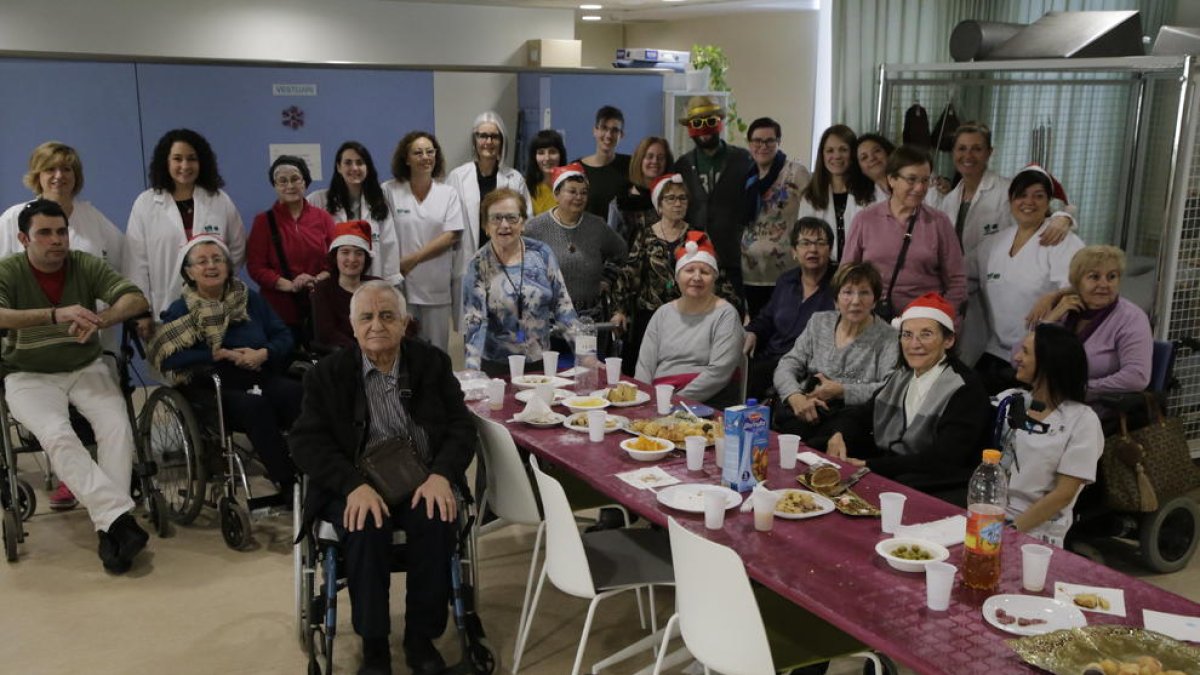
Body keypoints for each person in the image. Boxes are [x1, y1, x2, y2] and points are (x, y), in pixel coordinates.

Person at [290, 280, 476, 675]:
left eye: (387, 315)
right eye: (367, 317)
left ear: (406, 322)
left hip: (423, 478)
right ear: (353, 326)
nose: (377, 325)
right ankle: (374, 644)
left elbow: (461, 426)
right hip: (355, 481)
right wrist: (352, 486)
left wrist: (442, 475)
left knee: (436, 518)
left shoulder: (431, 364)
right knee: (365, 526)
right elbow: (307, 443)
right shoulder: (327, 375)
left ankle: (420, 639)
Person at [0, 199, 151, 573]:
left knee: (116, 428)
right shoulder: (8, 271)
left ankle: (109, 525)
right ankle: (118, 521)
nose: (57, 240)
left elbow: (135, 298)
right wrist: (54, 314)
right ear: (23, 238)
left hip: (85, 366)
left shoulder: (84, 263)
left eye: (62, 231)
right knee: (57, 435)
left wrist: (101, 319)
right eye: (45, 233)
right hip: (27, 374)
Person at [0, 142, 127, 511]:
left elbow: (118, 262)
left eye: (67, 169)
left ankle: (92, 488)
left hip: (88, 336)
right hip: (32, 345)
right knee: (58, 425)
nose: (60, 176)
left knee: (104, 418)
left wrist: (105, 313)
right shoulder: (12, 219)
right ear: (37, 175)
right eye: (50, 169)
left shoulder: (92, 218)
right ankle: (96, 494)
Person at [148, 235, 300, 498]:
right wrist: (214, 355)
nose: (211, 266)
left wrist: (264, 352)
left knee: (299, 393)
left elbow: (283, 336)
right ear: (189, 272)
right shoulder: (181, 309)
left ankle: (311, 468)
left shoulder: (249, 298)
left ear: (228, 266)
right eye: (202, 261)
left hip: (255, 372)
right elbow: (167, 357)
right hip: (210, 386)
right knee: (257, 407)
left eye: (218, 259)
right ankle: (287, 483)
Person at [930, 124, 1075, 365]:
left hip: (997, 310)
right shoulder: (950, 198)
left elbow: (1043, 207)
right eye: (962, 148)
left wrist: (1064, 218)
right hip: (971, 289)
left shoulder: (1008, 189)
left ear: (989, 152)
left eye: (977, 149)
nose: (968, 155)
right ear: (952, 153)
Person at [826, 293, 991, 491]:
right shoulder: (902, 376)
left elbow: (945, 458)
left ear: (948, 340)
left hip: (933, 478)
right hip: (894, 467)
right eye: (907, 335)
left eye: (926, 334)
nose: (914, 344)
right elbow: (862, 414)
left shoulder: (965, 387)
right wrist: (839, 434)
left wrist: (870, 466)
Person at [607, 174, 739, 376]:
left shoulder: (697, 235)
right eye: (671, 198)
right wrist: (619, 310)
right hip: (650, 318)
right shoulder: (645, 235)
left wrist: (734, 311)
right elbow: (628, 276)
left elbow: (716, 276)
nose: (678, 203)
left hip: (689, 317)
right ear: (659, 203)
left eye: (682, 198)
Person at [125, 128, 246, 338]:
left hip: (214, 309)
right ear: (166, 162)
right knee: (168, 368)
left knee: (217, 366)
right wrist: (141, 311)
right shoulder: (145, 204)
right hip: (163, 311)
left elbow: (236, 249)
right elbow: (136, 263)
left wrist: (216, 282)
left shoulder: (219, 200)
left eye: (192, 159)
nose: (185, 166)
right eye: (177, 159)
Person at [974, 166, 1084, 393]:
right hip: (996, 352)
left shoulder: (1061, 239)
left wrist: (1052, 296)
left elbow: (1079, 286)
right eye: (1022, 195)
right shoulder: (993, 244)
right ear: (1011, 200)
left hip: (1039, 356)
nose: (1029, 202)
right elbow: (959, 272)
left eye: (1038, 196)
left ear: (1048, 202)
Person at [996, 324, 1104, 547]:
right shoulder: (1010, 400)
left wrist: (1010, 532)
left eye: (1025, 352)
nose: (1017, 357)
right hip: (989, 512)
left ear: (1048, 363)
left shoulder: (1082, 421)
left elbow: (1063, 494)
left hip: (1036, 529)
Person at [771, 262, 898, 448]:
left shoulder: (889, 337)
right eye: (848, 292)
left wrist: (843, 391)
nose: (856, 301)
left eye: (864, 293)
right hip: (809, 403)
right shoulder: (819, 322)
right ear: (836, 300)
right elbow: (788, 363)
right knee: (790, 440)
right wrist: (795, 396)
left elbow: (891, 387)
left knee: (822, 445)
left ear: (875, 300)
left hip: (853, 416)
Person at [842, 144, 966, 322]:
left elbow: (957, 281)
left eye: (925, 180)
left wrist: (942, 320)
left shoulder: (939, 222)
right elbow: (847, 273)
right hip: (872, 321)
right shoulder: (865, 220)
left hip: (923, 323)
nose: (919, 188)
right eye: (911, 180)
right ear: (892, 179)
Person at [462, 188, 578, 374]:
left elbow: (564, 309)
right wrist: (472, 372)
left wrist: (586, 354)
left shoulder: (542, 254)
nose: (505, 225)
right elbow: (474, 323)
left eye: (512, 218)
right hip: (497, 369)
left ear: (523, 223)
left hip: (540, 365)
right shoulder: (478, 265)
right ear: (486, 226)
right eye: (496, 218)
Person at [635, 232, 744, 408]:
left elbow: (719, 373)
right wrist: (645, 399)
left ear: (714, 278)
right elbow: (644, 367)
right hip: (660, 398)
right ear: (678, 277)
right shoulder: (662, 314)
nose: (697, 277)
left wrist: (674, 401)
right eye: (689, 270)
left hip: (708, 401)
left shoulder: (726, 315)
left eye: (705, 272)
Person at [381, 131, 465, 353]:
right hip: (400, 285)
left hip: (436, 287)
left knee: (437, 352)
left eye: (430, 151)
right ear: (406, 158)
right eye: (418, 152)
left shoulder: (448, 193)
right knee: (401, 350)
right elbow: (383, 232)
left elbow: (452, 234)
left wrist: (412, 259)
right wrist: (400, 266)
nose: (425, 157)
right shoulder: (390, 190)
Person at [1038, 245, 1152, 401]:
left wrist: (1082, 389)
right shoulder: (1065, 310)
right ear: (1077, 282)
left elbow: (1137, 377)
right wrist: (1050, 319)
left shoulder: (1131, 318)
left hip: (1092, 408)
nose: (1104, 284)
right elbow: (1019, 360)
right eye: (1094, 277)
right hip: (1050, 400)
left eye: (1112, 277)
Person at [742, 217, 836, 400]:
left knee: (756, 380)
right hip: (772, 356)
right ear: (794, 251)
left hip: (808, 365)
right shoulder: (786, 281)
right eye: (805, 243)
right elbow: (767, 318)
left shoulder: (839, 286)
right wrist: (752, 332)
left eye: (820, 243)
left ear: (830, 249)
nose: (812, 250)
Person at [246, 155, 334, 347]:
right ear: (275, 186)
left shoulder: (323, 218)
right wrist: (289, 285)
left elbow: (335, 262)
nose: (290, 186)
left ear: (305, 182)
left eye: (295, 179)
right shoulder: (263, 222)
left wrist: (314, 280)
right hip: (278, 310)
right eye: (282, 181)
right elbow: (256, 266)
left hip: (318, 307)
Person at [674, 95, 755, 297]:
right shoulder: (682, 165)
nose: (704, 129)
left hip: (733, 257)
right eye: (697, 123)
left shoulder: (743, 159)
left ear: (719, 123)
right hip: (694, 259)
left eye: (710, 121)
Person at [525, 164, 627, 324]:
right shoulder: (535, 228)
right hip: (549, 318)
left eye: (583, 192)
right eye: (572, 191)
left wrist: (607, 278)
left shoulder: (597, 226)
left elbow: (621, 252)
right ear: (557, 194)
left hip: (590, 317)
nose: (579, 197)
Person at [740, 117, 811, 317]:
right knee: (758, 328)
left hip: (786, 271)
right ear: (749, 144)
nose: (763, 146)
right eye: (757, 141)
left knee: (784, 327)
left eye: (769, 141)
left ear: (778, 142)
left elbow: (813, 213)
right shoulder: (747, 176)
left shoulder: (795, 173)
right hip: (751, 271)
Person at [447, 111, 532, 279]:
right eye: (483, 136)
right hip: (467, 262)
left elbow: (527, 220)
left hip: (505, 261)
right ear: (475, 140)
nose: (488, 142)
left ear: (502, 141)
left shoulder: (514, 179)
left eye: (494, 136)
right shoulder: (457, 177)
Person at [307, 141, 402, 284]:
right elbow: (309, 243)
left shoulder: (379, 201)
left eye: (360, 162)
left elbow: (389, 245)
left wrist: (390, 282)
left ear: (367, 167)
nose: (354, 168)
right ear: (339, 167)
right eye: (348, 163)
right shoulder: (318, 200)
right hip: (333, 281)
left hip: (372, 279)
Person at [797, 125, 876, 261]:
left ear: (853, 154)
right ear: (822, 155)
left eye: (843, 150)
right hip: (821, 271)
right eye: (830, 151)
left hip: (862, 271)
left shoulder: (870, 191)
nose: (836, 156)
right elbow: (804, 241)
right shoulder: (810, 196)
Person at [311, 220, 380, 353]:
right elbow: (327, 334)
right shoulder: (323, 290)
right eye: (345, 252)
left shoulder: (378, 286)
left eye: (359, 253)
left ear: (366, 258)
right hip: (346, 358)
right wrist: (364, 351)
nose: (352, 259)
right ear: (335, 257)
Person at [608, 136, 673, 245]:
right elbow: (611, 246)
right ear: (640, 160)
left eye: (660, 157)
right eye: (649, 156)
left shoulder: (673, 199)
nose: (655, 161)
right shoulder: (621, 201)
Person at [575, 105, 632, 218]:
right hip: (586, 234)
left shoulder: (630, 165)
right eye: (604, 128)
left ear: (621, 135)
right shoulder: (577, 169)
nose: (608, 135)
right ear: (595, 131)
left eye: (614, 130)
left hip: (620, 235)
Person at [523, 129, 567, 216]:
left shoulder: (570, 185)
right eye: (541, 153)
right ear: (534, 157)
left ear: (561, 155)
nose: (547, 158)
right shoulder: (525, 187)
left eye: (552, 152)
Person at [855, 133, 894, 201]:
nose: (872, 158)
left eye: (876, 151)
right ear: (860, 168)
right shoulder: (860, 200)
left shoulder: (913, 182)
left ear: (888, 152)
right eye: (864, 157)